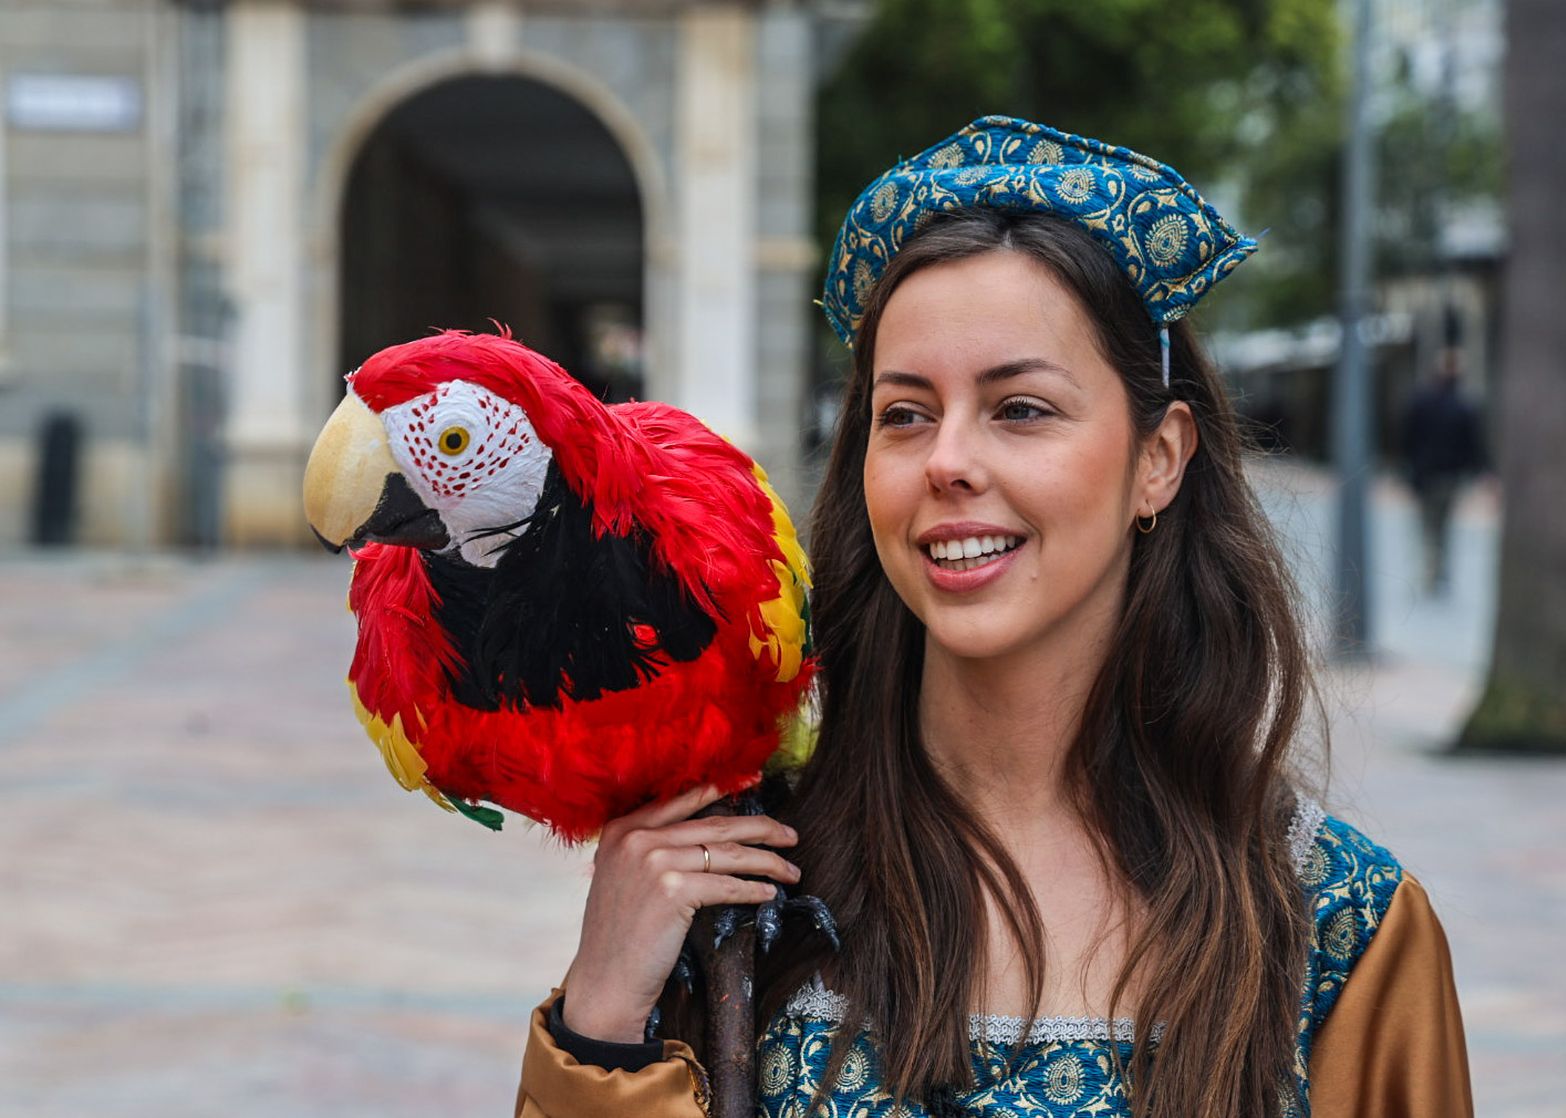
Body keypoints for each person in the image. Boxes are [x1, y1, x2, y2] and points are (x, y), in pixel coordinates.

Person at [515, 117, 1473, 1118]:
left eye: (1020, 408)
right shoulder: (740, 878)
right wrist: (600, 1022)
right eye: (905, 413)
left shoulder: (1336, 921)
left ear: (1160, 456)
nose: (946, 460)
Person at [1401, 350, 1486, 593]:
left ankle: (1432, 570)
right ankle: (1438, 571)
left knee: (1428, 526)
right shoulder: (1464, 405)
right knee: (1443, 527)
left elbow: (1407, 439)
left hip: (1426, 475)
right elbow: (1473, 445)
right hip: (1449, 476)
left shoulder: (1422, 401)